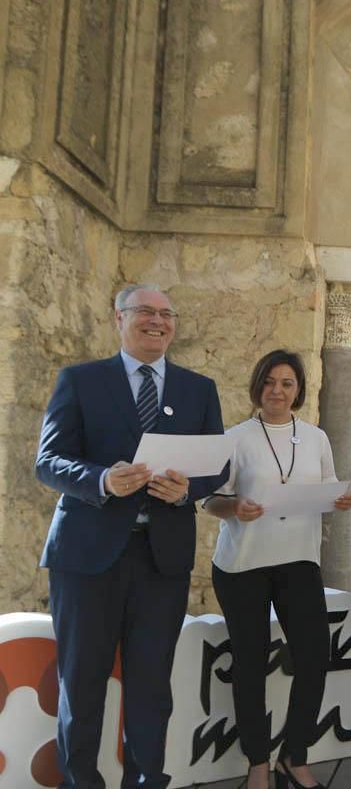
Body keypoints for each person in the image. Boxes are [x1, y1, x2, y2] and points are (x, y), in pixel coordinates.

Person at [35, 284, 227, 789]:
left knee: (150, 688)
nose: (157, 321)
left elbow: (216, 466)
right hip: (86, 558)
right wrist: (101, 479)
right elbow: (48, 461)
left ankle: (145, 782)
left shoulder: (198, 389)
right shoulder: (79, 381)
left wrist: (188, 489)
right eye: (145, 311)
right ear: (117, 318)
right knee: (81, 684)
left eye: (167, 314)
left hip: (161, 560)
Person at [201, 350, 351, 789]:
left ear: (298, 391)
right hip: (243, 565)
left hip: (299, 563)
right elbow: (210, 500)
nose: (278, 391)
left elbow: (330, 493)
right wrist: (234, 506)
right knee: (250, 664)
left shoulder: (317, 438)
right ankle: (257, 764)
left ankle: (294, 755)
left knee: (313, 658)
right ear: (258, 386)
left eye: (287, 383)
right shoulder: (235, 438)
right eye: (270, 382)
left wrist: (341, 500)